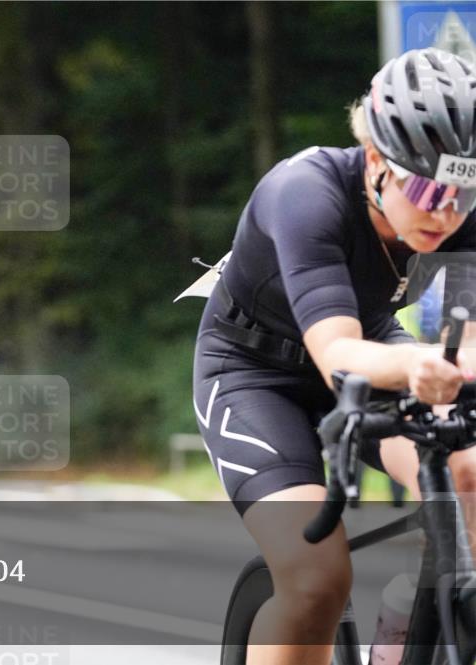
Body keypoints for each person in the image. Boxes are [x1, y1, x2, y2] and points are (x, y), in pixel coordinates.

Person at [192, 48, 476, 665]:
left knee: (471, 469)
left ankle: (434, 621)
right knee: (318, 581)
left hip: (373, 347)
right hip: (255, 373)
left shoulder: (458, 215)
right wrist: (420, 366)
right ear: (376, 161)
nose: (445, 212)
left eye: (463, 193)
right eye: (427, 188)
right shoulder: (306, 192)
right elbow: (338, 355)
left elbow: (469, 338)